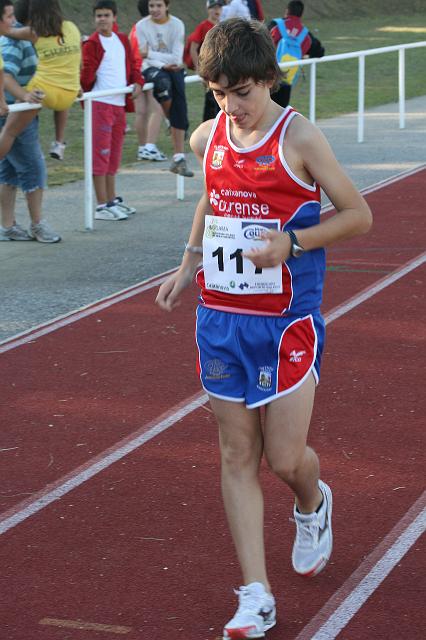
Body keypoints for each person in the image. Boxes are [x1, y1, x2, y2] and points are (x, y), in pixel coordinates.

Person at [156, 18, 372, 640]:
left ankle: (313, 502)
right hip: (221, 316)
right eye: (220, 92)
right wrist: (188, 262)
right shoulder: (209, 135)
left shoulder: (298, 137)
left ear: (270, 79)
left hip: (285, 325)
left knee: (283, 458)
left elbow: (359, 216)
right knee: (235, 452)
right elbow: (213, 198)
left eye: (243, 91)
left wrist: (293, 243)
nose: (233, 105)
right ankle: (256, 594)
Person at [0, 0, 60, 243]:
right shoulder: (13, 43)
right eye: (8, 17)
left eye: (14, 16)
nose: (13, 21)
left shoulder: (24, 39)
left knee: (9, 171)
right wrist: (24, 95)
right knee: (33, 168)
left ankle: (7, 225)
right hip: (15, 111)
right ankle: (37, 224)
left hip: (19, 109)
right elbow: (6, 77)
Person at [80, 0, 143, 221]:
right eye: (98, 16)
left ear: (114, 17)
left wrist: (137, 81)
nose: (102, 19)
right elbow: (86, 76)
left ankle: (111, 198)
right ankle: (100, 204)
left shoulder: (122, 40)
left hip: (118, 105)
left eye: (106, 15)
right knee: (101, 155)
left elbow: (133, 66)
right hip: (100, 104)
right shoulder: (91, 43)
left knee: (113, 156)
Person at [0, 0, 81, 160]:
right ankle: (59, 142)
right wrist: (77, 84)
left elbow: (9, 32)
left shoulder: (35, 32)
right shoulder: (72, 27)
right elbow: (79, 61)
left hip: (42, 93)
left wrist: (24, 95)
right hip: (70, 94)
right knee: (60, 84)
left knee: (9, 133)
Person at [136, 0, 194, 178]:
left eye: (158, 5)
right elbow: (142, 56)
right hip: (151, 68)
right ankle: (171, 120)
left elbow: (176, 57)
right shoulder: (141, 25)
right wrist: (162, 64)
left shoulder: (177, 24)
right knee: (163, 84)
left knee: (180, 101)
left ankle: (179, 157)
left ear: (167, 6)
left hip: (172, 66)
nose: (154, 9)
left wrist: (153, 55)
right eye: (151, 6)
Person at [130, 0, 167, 162]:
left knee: (142, 112)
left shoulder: (135, 27)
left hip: (136, 72)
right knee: (157, 109)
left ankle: (142, 147)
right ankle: (149, 147)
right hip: (147, 72)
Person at [270, 0, 312, 108]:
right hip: (288, 78)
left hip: (269, 76)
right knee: (281, 112)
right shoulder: (306, 35)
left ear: (287, 11)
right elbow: (319, 51)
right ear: (301, 14)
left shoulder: (276, 25)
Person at [188, 0, 223, 122]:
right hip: (209, 69)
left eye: (219, 7)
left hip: (221, 68)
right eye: (213, 8)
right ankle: (209, 128)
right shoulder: (203, 26)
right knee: (211, 99)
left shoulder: (222, 25)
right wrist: (199, 69)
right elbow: (193, 48)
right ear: (208, 9)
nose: (216, 10)